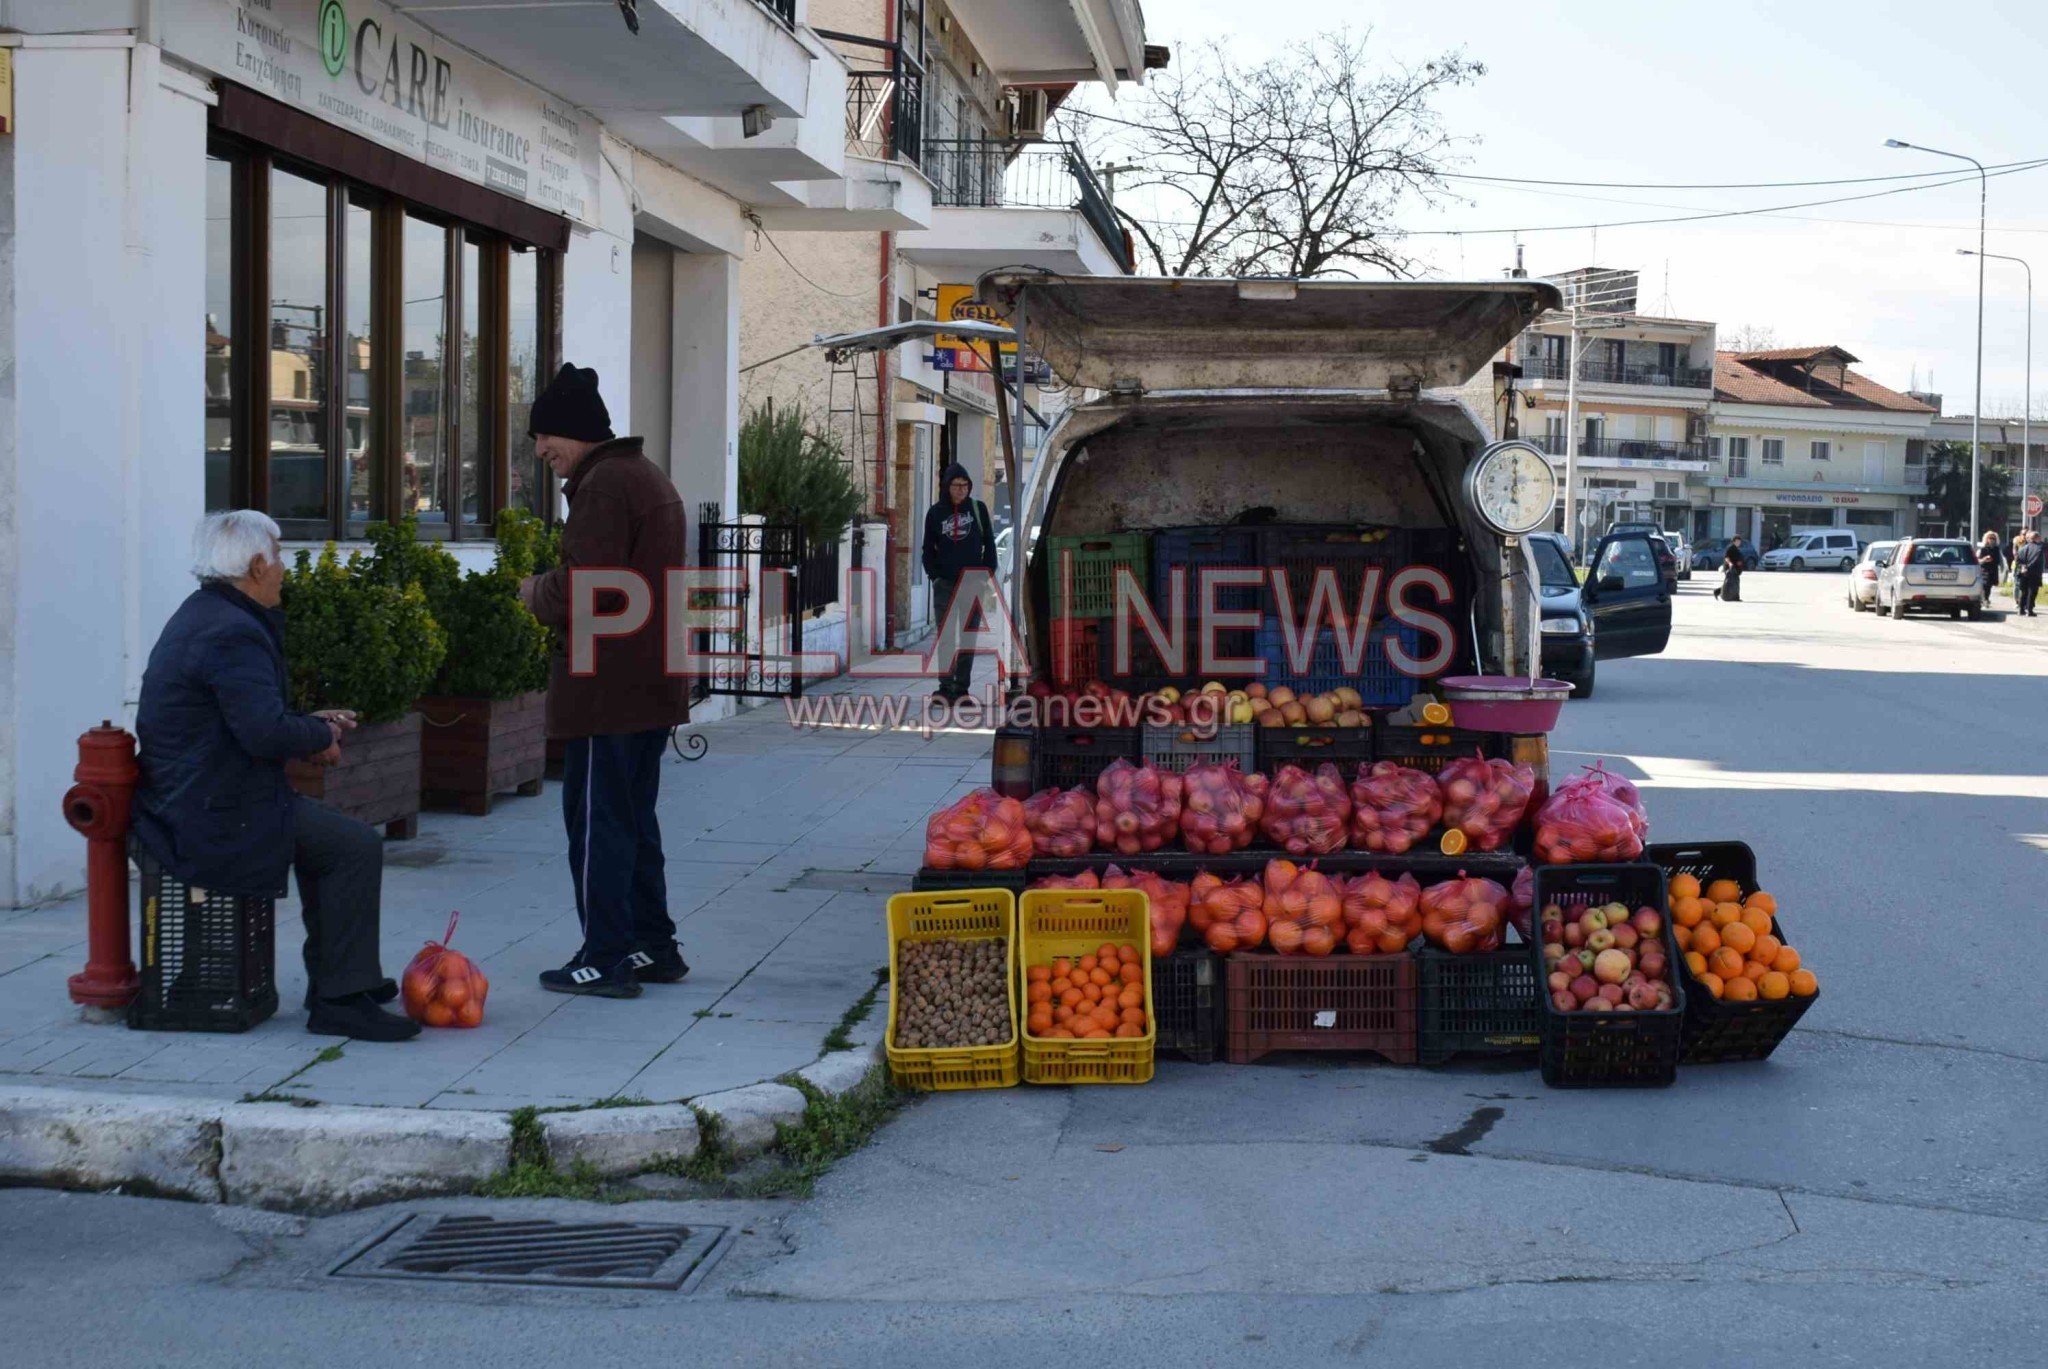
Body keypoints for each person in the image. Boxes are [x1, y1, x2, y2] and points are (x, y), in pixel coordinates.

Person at [134, 511, 418, 1042]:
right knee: (352, 847)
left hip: (205, 793)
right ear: (258, 564)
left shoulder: (207, 614)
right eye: (280, 558)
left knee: (335, 844)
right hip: (215, 808)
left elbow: (245, 719)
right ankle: (340, 999)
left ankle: (342, 979)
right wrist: (319, 738)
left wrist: (311, 725)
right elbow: (262, 732)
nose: (285, 569)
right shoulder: (231, 632)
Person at [519, 364, 690, 999]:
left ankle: (605, 956)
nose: (540, 452)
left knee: (598, 825)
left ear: (573, 431)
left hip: (608, 688)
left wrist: (533, 589)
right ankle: (653, 946)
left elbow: (588, 590)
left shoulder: (604, 487)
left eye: (544, 437)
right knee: (633, 820)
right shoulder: (642, 477)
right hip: (648, 684)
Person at [920, 462, 998, 700]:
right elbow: (927, 549)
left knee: (967, 637)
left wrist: (986, 574)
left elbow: (989, 544)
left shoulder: (978, 509)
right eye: (956, 485)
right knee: (945, 637)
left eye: (965, 485)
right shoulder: (935, 513)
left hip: (972, 583)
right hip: (945, 583)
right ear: (947, 486)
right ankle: (945, 687)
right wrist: (935, 575)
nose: (961, 490)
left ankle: (961, 688)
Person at [2014, 530, 2044, 618]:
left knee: (2024, 592)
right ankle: (2029, 610)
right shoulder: (2039, 548)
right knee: (2032, 592)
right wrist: (2028, 567)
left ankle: (2021, 610)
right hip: (2034, 573)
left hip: (2023, 573)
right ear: (2036, 538)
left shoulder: (2023, 548)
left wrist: (2023, 567)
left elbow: (2018, 560)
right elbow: (2036, 560)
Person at [1977, 530, 2005, 608]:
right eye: (1990, 538)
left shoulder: (1997, 549)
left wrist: (2002, 568)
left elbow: (2000, 560)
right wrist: (1984, 559)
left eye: (1994, 538)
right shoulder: (1982, 549)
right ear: (1987, 539)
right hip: (1984, 570)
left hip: (1993, 570)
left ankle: (1986, 599)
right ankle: (1984, 600)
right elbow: (1977, 560)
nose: (1992, 540)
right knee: (1985, 585)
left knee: (1989, 586)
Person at [1715, 538, 1745, 602]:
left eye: (1739, 541)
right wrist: (1730, 564)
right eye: (1737, 541)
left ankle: (1717, 592)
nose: (1739, 543)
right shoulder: (1730, 548)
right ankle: (1735, 597)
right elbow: (1726, 557)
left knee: (1732, 582)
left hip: (1735, 568)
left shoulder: (1736, 548)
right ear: (1733, 541)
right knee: (1731, 582)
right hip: (1730, 568)